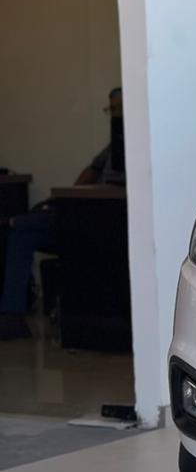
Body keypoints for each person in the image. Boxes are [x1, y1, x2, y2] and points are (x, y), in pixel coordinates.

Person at [0, 88, 125, 340]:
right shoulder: (112, 146)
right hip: (82, 214)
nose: (113, 114)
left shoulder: (140, 142)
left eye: (117, 108)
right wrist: (69, 199)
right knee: (23, 236)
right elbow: (90, 171)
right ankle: (11, 317)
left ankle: (15, 221)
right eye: (110, 109)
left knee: (24, 226)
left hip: (108, 220)